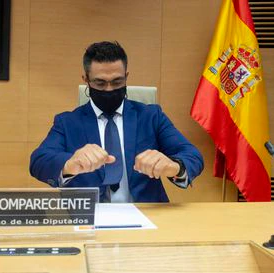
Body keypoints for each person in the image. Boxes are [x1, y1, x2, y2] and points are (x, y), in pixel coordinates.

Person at [30, 41, 204, 202]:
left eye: (117, 82)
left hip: (146, 216)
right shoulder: (67, 122)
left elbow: (192, 155)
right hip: (89, 217)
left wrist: (174, 167)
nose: (109, 89)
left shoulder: (150, 116)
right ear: (86, 80)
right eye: (100, 83)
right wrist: (69, 164)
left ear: (126, 77)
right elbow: (39, 160)